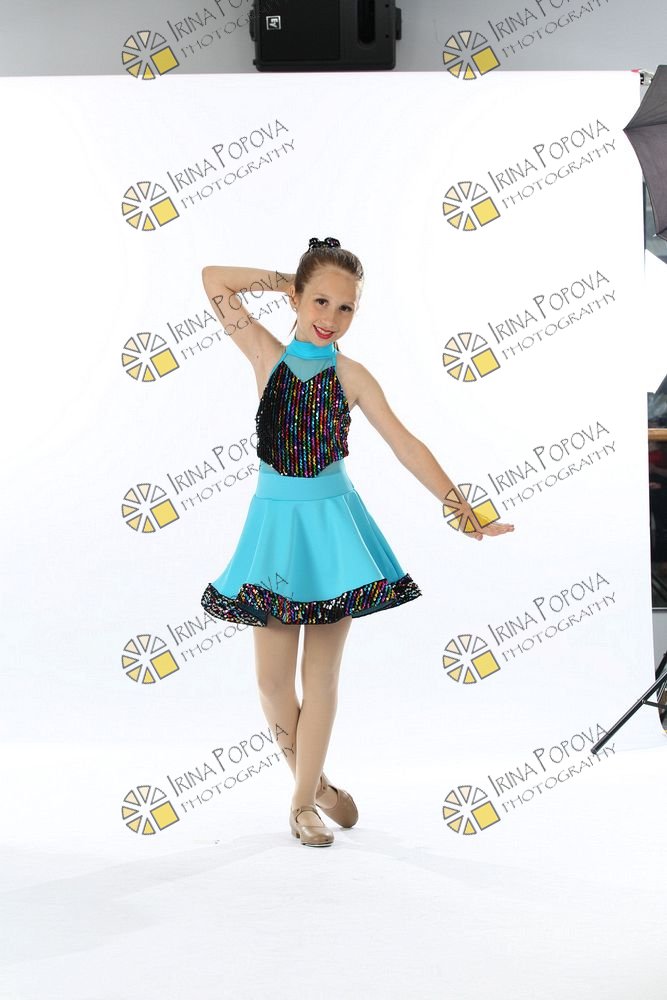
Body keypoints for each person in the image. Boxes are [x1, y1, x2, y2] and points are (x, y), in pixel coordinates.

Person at [200, 236, 514, 848]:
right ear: (297, 298)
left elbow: (405, 444)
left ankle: (300, 806)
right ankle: (317, 783)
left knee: (320, 678)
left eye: (346, 308)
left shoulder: (352, 375)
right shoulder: (265, 355)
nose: (331, 317)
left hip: (335, 533)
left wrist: (462, 509)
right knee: (271, 683)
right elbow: (214, 278)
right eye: (320, 301)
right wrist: (284, 281)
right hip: (274, 531)